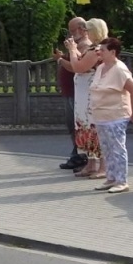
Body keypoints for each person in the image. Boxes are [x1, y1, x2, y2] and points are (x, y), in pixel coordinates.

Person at [88, 36, 133, 193]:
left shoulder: (120, 69)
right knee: (107, 149)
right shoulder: (100, 68)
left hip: (116, 116)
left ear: (112, 52)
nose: (99, 53)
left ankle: (121, 181)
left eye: (102, 50)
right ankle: (111, 178)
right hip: (101, 117)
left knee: (117, 148)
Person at [61, 18, 109, 180]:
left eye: (88, 30)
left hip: (91, 96)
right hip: (83, 95)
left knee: (95, 129)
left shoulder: (97, 49)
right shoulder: (94, 48)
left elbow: (78, 67)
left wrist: (72, 49)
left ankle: (103, 166)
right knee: (85, 128)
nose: (85, 33)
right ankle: (91, 163)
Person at [54, 17, 88, 170]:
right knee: (72, 125)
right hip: (70, 90)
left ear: (81, 29)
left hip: (77, 92)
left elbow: (76, 67)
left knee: (77, 125)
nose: (70, 34)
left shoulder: (84, 46)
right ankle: (77, 154)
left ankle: (81, 156)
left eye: (72, 31)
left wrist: (61, 60)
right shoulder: (76, 46)